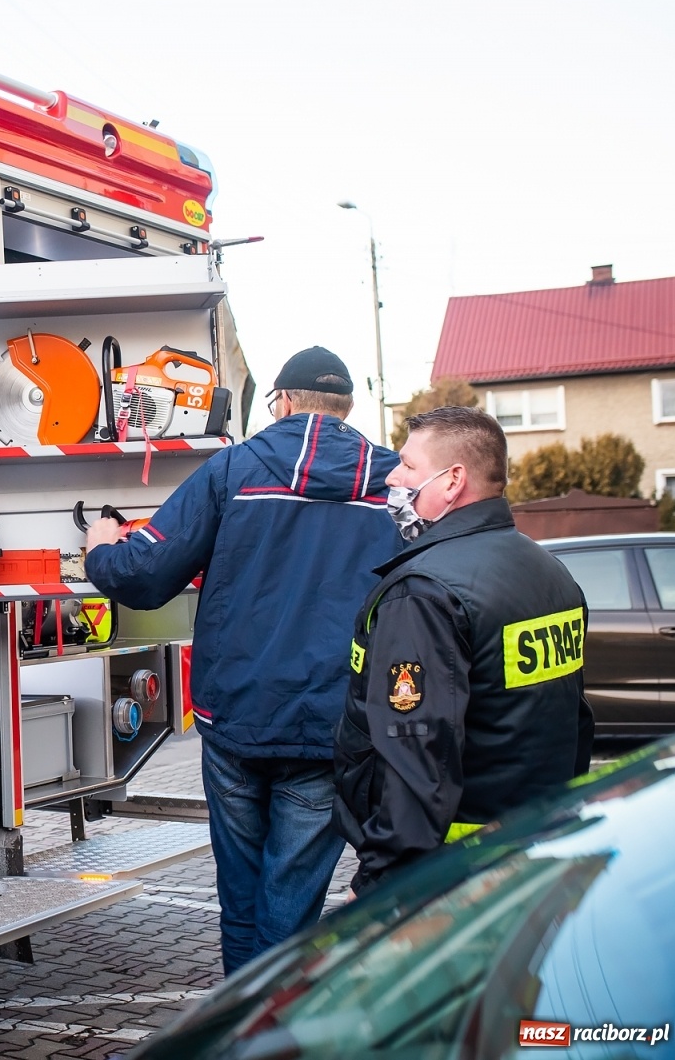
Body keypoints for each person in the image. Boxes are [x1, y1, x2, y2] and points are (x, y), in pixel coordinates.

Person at [85, 346, 400, 975]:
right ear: (347, 408)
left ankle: (242, 1030)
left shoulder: (236, 469)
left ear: (281, 402)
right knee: (291, 906)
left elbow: (145, 577)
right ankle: (272, 1030)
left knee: (242, 902)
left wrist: (100, 547)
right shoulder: (394, 485)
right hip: (332, 726)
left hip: (235, 721)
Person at [333, 406, 594, 895]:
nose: (393, 475)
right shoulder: (550, 571)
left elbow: (417, 754)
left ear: (453, 480)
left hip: (451, 871)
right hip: (534, 845)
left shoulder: (424, 592)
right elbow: (574, 723)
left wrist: (382, 880)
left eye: (409, 466)